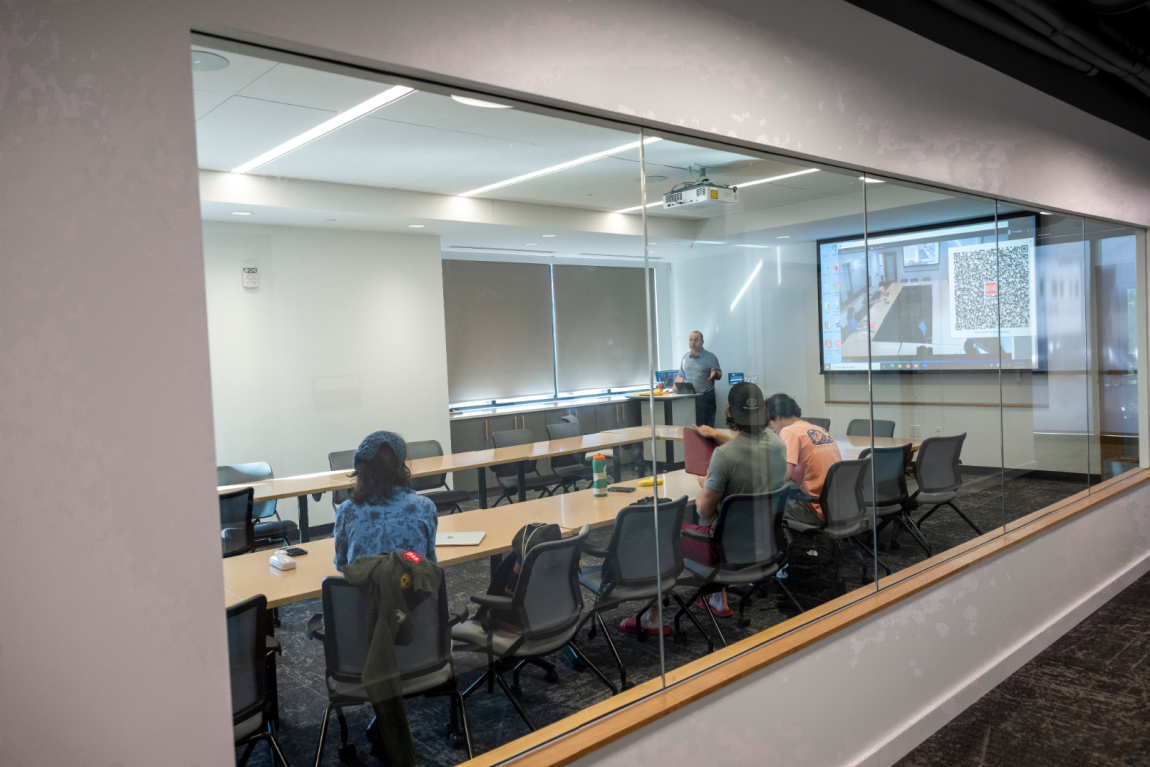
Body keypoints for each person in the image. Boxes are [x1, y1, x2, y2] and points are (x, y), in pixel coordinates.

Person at [622, 382, 786, 633]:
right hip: (765, 544)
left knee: (657, 531)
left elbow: (703, 511)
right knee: (723, 521)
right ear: (763, 412)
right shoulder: (778, 444)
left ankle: (650, 618)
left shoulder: (724, 455)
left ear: (729, 411)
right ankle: (719, 599)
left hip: (725, 551)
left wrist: (706, 482)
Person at [333, 430, 438, 571]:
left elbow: (342, 564)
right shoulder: (424, 506)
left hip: (362, 592)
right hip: (413, 590)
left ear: (360, 469)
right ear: (401, 466)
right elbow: (429, 563)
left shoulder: (346, 510)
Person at [765, 393, 842, 527]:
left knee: (761, 504)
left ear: (777, 416)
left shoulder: (789, 431)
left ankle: (796, 546)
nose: (774, 431)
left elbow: (784, 476)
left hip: (817, 510)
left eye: (771, 425)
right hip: (840, 507)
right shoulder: (819, 429)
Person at [676, 330, 721, 427]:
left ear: (702, 342)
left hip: (706, 398)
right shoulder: (685, 357)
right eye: (690, 340)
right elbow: (681, 375)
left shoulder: (710, 357)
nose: (692, 343)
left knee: (706, 428)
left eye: (696, 340)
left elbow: (719, 375)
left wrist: (715, 374)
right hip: (690, 398)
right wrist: (672, 390)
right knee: (692, 427)